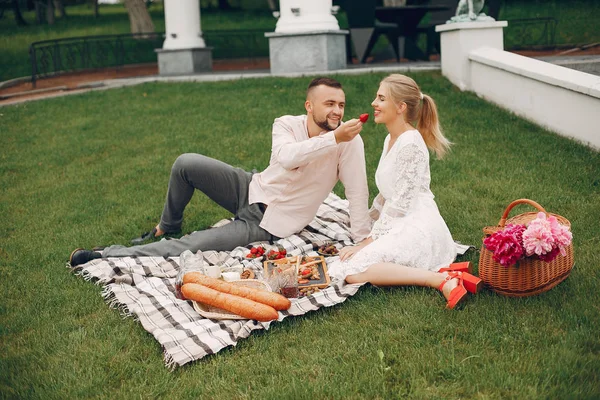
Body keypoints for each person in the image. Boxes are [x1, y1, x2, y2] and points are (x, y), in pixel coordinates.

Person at [69, 77, 372, 266]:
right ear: (309, 105)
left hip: (271, 224)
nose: (337, 111)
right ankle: (166, 225)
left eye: (341, 105)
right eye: (329, 103)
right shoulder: (286, 124)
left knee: (194, 245)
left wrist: (361, 240)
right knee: (186, 163)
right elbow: (287, 157)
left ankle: (106, 254)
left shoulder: (349, 144)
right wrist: (333, 138)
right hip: (250, 187)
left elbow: (357, 192)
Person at [327, 74, 482, 309]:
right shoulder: (391, 137)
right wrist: (369, 222)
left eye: (381, 98)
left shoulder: (410, 143)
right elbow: (386, 193)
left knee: (353, 270)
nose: (373, 104)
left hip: (415, 222)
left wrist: (367, 242)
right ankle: (448, 272)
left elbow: (400, 203)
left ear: (400, 107)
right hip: (400, 217)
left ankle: (440, 280)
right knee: (351, 266)